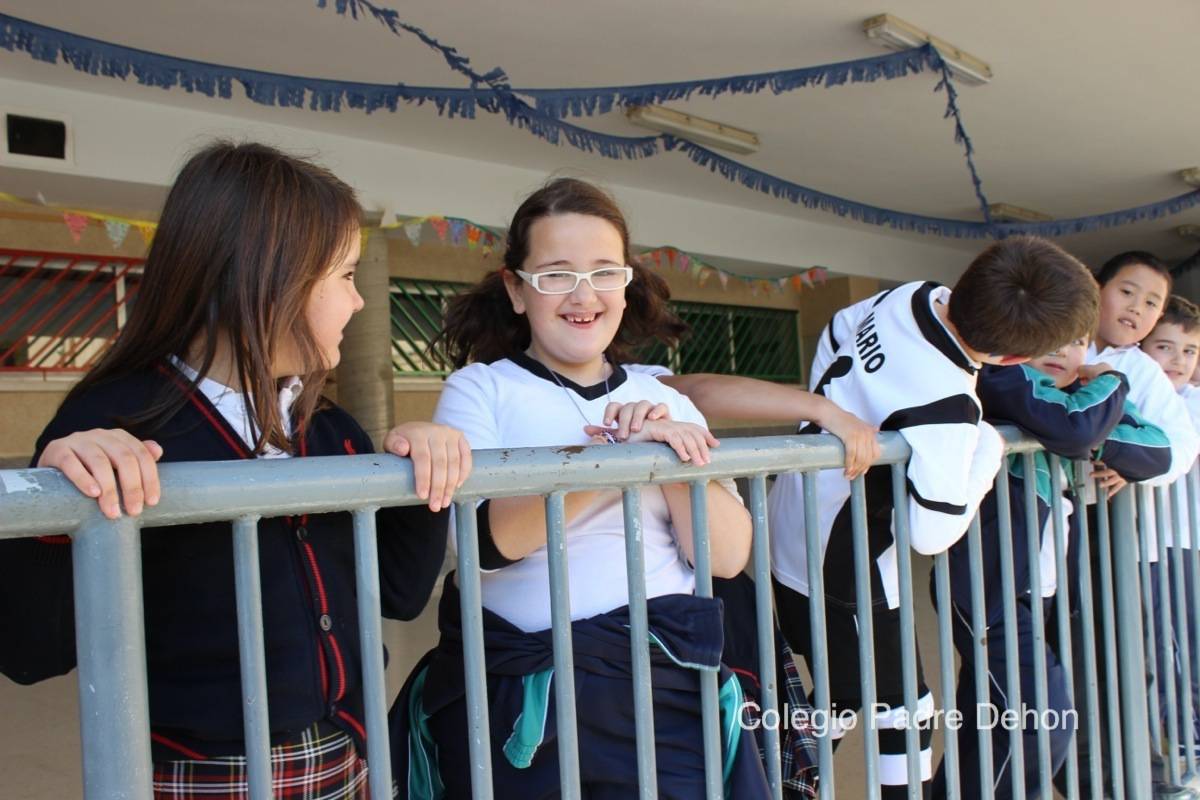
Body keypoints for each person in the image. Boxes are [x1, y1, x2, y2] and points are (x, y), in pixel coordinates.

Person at [0, 141, 471, 799]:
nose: (360, 302)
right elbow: (28, 653)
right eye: (344, 276)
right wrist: (56, 499)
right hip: (203, 774)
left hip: (346, 757)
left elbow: (398, 593)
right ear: (268, 277)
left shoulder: (329, 428)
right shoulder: (115, 425)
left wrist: (423, 472)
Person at [391, 177, 771, 798]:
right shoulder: (481, 389)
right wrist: (613, 460)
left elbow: (726, 557)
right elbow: (485, 545)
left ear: (626, 282)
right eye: (556, 275)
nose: (583, 294)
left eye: (603, 273)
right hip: (521, 706)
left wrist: (665, 456)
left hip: (665, 693)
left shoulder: (662, 399)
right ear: (517, 289)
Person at [768, 236, 1100, 798]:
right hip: (847, 564)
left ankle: (774, 780)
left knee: (846, 690)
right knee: (907, 712)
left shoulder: (910, 295)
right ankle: (770, 780)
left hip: (794, 522)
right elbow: (931, 532)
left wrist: (829, 420)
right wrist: (988, 448)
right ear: (1012, 360)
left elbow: (835, 332)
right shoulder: (951, 409)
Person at [940, 336, 1170, 799]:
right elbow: (1075, 429)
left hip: (1037, 595)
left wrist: (1091, 425)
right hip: (989, 591)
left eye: (1078, 341)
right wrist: (1111, 382)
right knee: (1046, 720)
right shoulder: (1001, 378)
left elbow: (1157, 450)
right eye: (1051, 335)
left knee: (988, 718)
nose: (1063, 349)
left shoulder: (1072, 402)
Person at [1060, 251, 1200, 800]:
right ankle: (1080, 775)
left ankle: (1142, 776)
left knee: (1123, 659)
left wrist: (1131, 464)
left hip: (1105, 533)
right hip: (1041, 525)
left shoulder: (1138, 367)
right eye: (1127, 292)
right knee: (1061, 662)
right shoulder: (1053, 337)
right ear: (1097, 288)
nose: (1137, 309)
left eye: (1152, 303)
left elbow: (1179, 447)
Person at [1141, 295, 1200, 757]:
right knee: (1166, 646)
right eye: (1165, 347)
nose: (1179, 359)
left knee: (1190, 642)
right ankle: (1184, 738)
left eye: (1190, 350)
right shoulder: (1141, 395)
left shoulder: (1193, 402)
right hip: (1155, 540)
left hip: (1187, 538)